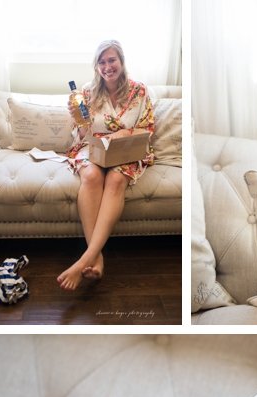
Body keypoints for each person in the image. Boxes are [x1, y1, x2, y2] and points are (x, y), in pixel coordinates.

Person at [59, 40, 155, 290]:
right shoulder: (88, 92)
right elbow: (82, 137)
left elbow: (148, 128)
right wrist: (77, 120)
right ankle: (95, 258)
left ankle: (85, 260)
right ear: (96, 66)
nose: (107, 66)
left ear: (121, 62)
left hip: (127, 149)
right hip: (94, 148)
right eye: (101, 62)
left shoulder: (139, 91)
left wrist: (125, 134)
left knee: (115, 180)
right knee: (91, 177)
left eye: (111, 60)